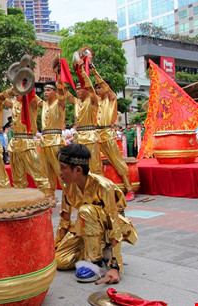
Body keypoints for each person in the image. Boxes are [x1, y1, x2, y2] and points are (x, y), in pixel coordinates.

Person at [54, 144, 137, 283]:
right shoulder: (68, 188)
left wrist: (115, 266)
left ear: (78, 170)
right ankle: (94, 249)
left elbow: (115, 223)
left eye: (63, 168)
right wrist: (55, 247)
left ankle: (95, 262)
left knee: (86, 210)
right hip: (86, 226)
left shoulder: (103, 186)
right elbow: (64, 221)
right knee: (60, 261)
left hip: (109, 227)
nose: (60, 172)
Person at [93, 69, 135, 201]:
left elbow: (108, 90)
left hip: (108, 134)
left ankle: (129, 189)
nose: (98, 90)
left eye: (100, 87)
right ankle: (99, 190)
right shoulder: (96, 101)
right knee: (95, 163)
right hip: (96, 134)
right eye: (97, 87)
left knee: (117, 161)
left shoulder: (111, 99)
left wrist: (95, 73)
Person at [2, 87, 51, 195]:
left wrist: (27, 86)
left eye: (20, 91)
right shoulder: (14, 104)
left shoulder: (31, 104)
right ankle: (21, 199)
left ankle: (47, 197)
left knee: (38, 173)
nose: (16, 93)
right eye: (16, 91)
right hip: (15, 143)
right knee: (18, 178)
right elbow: (1, 98)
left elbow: (36, 99)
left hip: (28, 142)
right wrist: (12, 88)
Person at [61, 68, 103, 175]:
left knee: (93, 165)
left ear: (86, 89)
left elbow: (92, 90)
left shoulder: (93, 100)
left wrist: (83, 73)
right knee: (78, 165)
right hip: (79, 136)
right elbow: (66, 93)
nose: (78, 91)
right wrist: (59, 75)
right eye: (76, 89)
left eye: (80, 88)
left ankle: (97, 189)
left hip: (90, 136)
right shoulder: (76, 102)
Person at [37, 80, 66, 197]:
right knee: (46, 171)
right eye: (44, 90)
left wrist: (59, 79)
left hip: (56, 140)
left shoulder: (59, 104)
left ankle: (68, 195)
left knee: (60, 169)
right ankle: (50, 195)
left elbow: (63, 97)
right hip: (44, 141)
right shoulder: (43, 105)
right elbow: (31, 95)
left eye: (49, 90)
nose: (45, 93)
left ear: (55, 92)